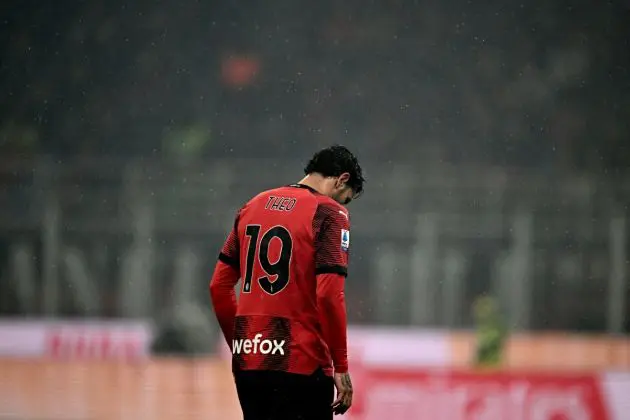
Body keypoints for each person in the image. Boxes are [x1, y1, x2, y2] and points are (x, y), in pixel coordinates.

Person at [210, 145, 364, 420]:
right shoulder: (330, 213)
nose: (343, 205)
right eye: (346, 198)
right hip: (301, 361)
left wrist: (242, 345)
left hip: (251, 364)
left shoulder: (253, 205)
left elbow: (219, 287)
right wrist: (340, 365)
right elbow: (329, 294)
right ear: (342, 179)